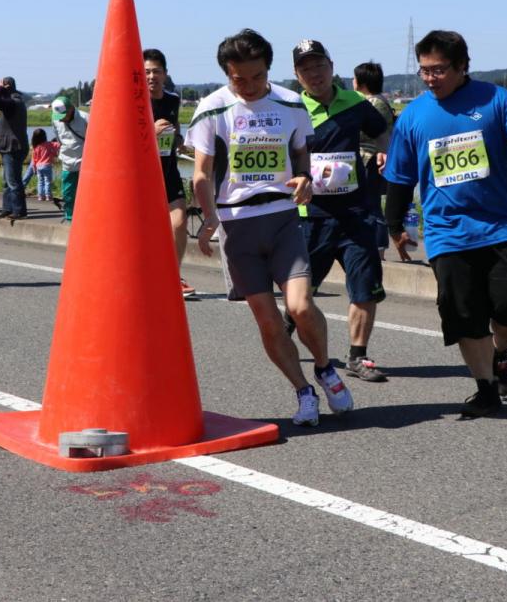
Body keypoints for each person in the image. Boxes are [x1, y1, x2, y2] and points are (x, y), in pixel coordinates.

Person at [185, 28, 353, 427]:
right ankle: (303, 391)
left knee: (299, 305)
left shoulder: (292, 103)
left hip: (281, 218)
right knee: (267, 319)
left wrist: (304, 180)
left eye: (257, 76)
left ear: (269, 70)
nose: (248, 85)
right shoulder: (211, 109)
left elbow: (301, 156)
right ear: (227, 72)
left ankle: (326, 368)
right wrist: (209, 220)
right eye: (238, 78)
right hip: (236, 225)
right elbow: (201, 175)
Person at [384, 30, 507, 418]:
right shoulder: (413, 116)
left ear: (462, 66)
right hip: (446, 231)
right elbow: (399, 176)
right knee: (462, 313)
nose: (430, 78)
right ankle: (485, 388)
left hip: (503, 225)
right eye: (424, 70)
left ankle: (500, 350)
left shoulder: (498, 100)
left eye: (439, 69)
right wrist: (395, 224)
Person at [291, 40, 390, 381]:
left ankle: (358, 357)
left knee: (364, 286)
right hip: (310, 216)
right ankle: (284, 335)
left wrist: (385, 154)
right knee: (301, 295)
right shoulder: (291, 109)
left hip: (356, 212)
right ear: (296, 75)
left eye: (319, 66)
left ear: (332, 67)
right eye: (306, 69)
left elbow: (383, 131)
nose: (314, 74)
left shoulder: (354, 103)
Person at [144, 48, 198, 299]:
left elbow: (176, 135)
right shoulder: (132, 102)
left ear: (165, 74)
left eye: (156, 71)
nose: (151, 76)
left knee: (179, 221)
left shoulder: (173, 100)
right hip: (141, 175)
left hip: (168, 170)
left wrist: (177, 139)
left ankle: (172, 277)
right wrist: (150, 132)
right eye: (146, 72)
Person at [352, 61, 395, 260]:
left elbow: (368, 133)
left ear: (362, 81)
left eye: (355, 78)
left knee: (372, 205)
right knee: (369, 204)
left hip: (371, 159)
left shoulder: (374, 103)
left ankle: (379, 248)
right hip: (369, 159)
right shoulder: (376, 100)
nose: (353, 81)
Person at [0, 76, 29, 220]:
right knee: (7, 181)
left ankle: (19, 211)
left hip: (12, 146)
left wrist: (0, 87)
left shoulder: (12, 101)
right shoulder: (16, 100)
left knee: (13, 181)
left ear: (6, 87)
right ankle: (8, 208)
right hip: (15, 145)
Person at [51, 95, 88, 222]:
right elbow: (58, 137)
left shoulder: (85, 118)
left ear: (71, 109)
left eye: (63, 116)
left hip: (85, 161)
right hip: (67, 160)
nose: (61, 120)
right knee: (68, 192)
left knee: (87, 191)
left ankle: (87, 216)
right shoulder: (55, 119)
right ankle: (70, 217)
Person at [25, 128, 59, 202]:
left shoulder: (36, 147)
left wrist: (34, 168)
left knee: (40, 181)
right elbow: (58, 144)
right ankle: (48, 196)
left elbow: (34, 159)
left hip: (38, 166)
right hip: (47, 165)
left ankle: (40, 196)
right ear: (45, 136)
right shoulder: (49, 144)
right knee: (47, 181)